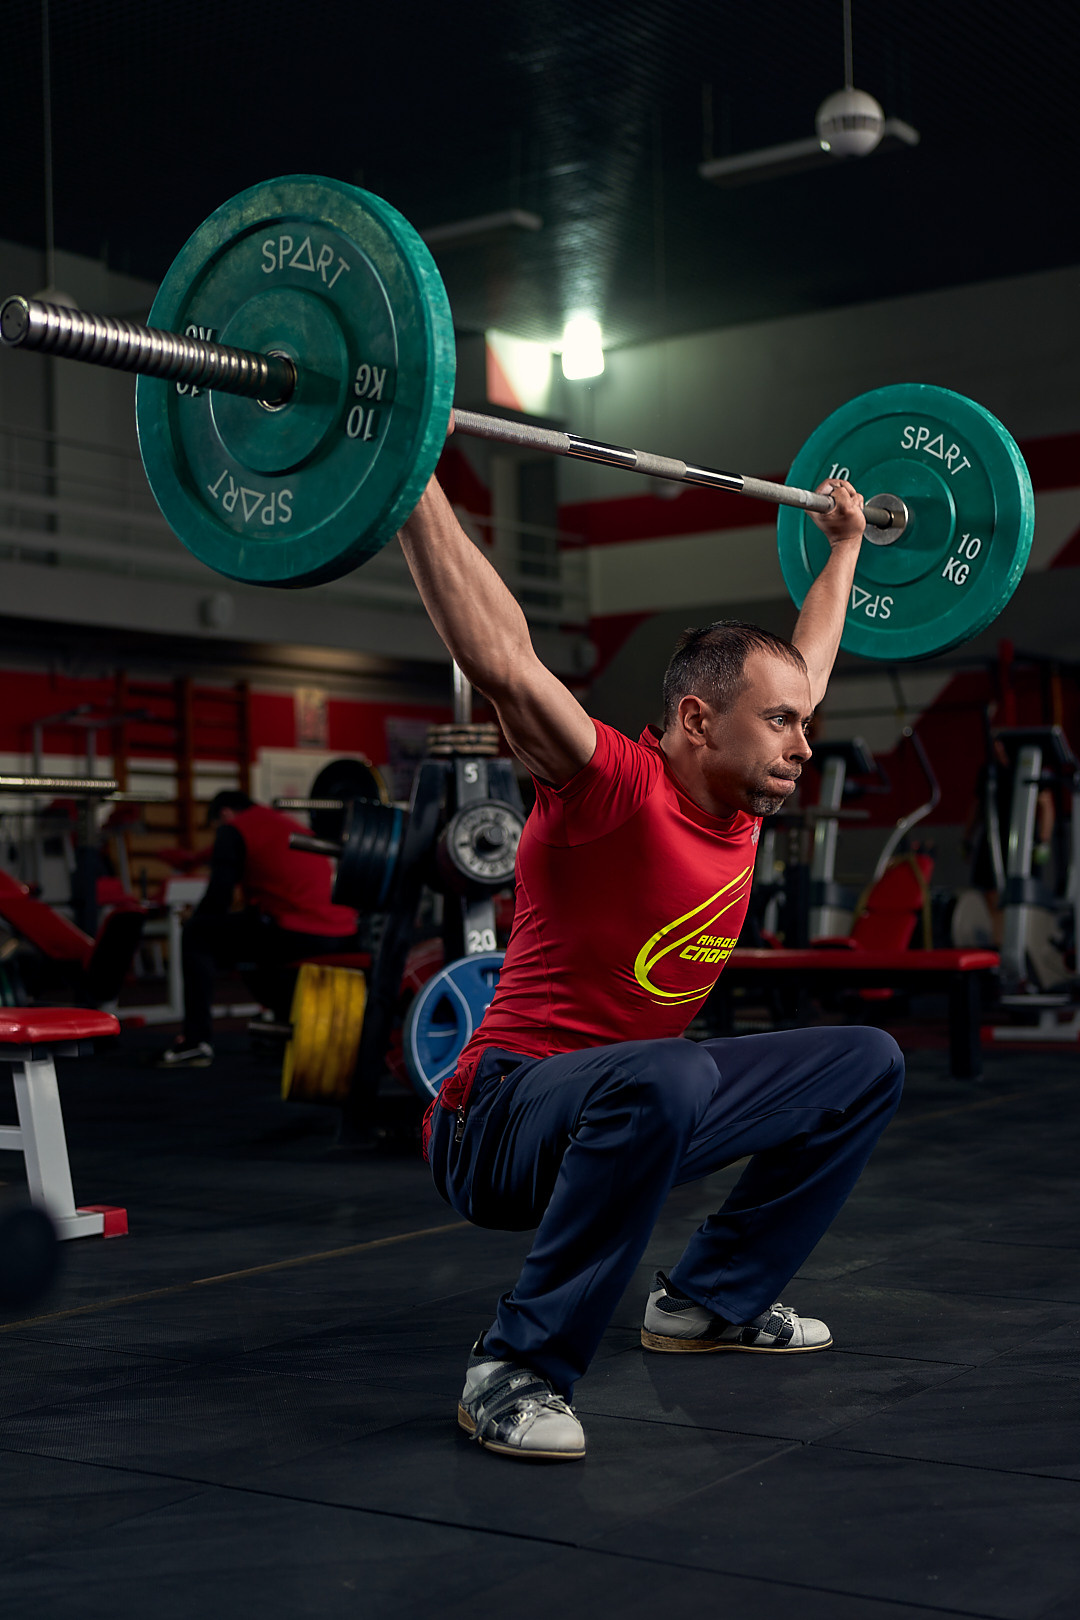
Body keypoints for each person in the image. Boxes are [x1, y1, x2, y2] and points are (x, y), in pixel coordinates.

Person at [398, 455, 904, 1463]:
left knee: (867, 1062)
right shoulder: (611, 786)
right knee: (672, 1069)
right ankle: (516, 1367)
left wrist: (845, 546)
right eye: (782, 724)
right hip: (498, 1119)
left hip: (632, 1103)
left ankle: (708, 1302)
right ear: (695, 721)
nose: (804, 743)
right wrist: (406, 472)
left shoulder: (745, 785)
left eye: (804, 723)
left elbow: (807, 659)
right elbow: (502, 660)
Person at [160, 791, 362, 1067]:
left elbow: (219, 895)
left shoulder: (233, 830)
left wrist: (197, 918)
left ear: (225, 814)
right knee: (252, 930)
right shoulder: (282, 824)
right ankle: (283, 1026)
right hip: (343, 932)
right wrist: (190, 861)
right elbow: (219, 854)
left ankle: (195, 1042)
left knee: (198, 933)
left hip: (298, 932)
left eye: (217, 826)